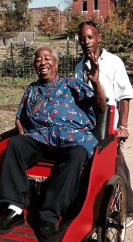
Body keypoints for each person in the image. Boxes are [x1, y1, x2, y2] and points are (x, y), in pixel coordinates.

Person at [0, 46, 106, 241]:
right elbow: (20, 117)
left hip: (72, 140)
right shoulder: (32, 89)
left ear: (56, 63)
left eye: (47, 58)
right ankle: (14, 209)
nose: (42, 62)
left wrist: (95, 82)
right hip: (41, 138)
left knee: (77, 155)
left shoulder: (71, 84)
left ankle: (48, 217)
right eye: (38, 59)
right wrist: (21, 132)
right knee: (16, 144)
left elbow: (101, 107)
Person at [75, 20, 133, 224]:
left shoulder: (114, 62)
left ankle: (128, 210)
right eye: (82, 38)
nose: (86, 41)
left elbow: (125, 96)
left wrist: (123, 126)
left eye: (90, 37)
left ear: (99, 38)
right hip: (87, 121)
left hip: (109, 120)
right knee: (91, 162)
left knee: (115, 162)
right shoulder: (79, 66)